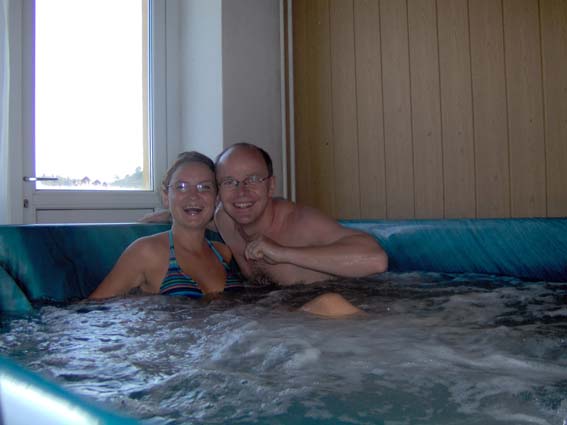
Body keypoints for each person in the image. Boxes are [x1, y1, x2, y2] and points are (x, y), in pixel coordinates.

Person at [141, 143, 388, 316]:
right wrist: (173, 212)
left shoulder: (299, 223)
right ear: (219, 192)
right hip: (280, 317)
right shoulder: (225, 219)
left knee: (330, 304)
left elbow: (376, 260)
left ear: (271, 186)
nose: (242, 192)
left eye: (253, 180)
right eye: (230, 182)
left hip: (350, 311)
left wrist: (283, 253)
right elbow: (204, 217)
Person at [89, 152, 242, 300]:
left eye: (204, 187)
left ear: (216, 198)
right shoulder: (145, 252)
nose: (193, 196)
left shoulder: (223, 252)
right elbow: (92, 309)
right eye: (181, 186)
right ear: (166, 197)